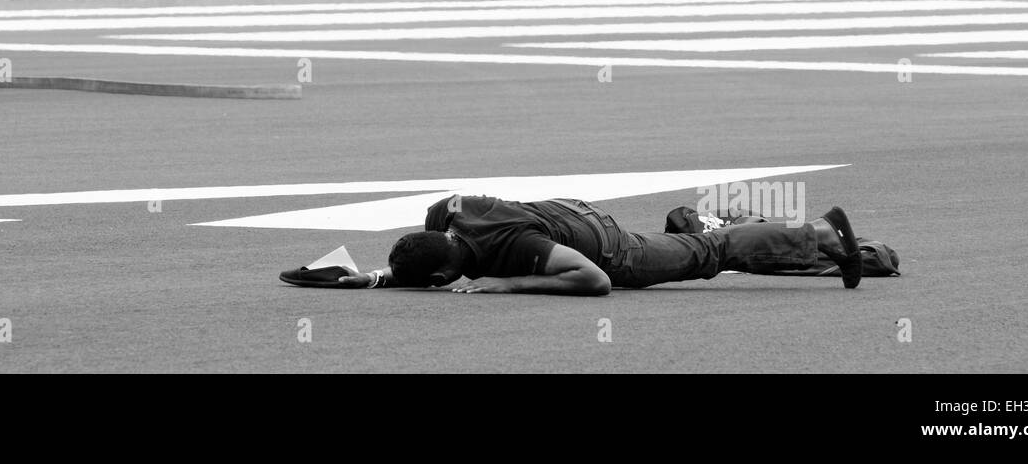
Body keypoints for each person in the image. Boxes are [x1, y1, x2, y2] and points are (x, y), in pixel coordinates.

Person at [338, 194, 863, 295]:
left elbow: (595, 280)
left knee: (711, 253)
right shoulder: (445, 212)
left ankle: (820, 232)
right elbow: (421, 257)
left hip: (608, 249)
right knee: (695, 244)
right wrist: (379, 277)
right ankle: (691, 224)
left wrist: (509, 284)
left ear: (441, 279)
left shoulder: (518, 250)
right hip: (566, 212)